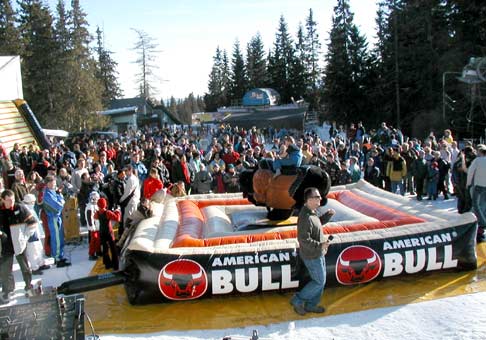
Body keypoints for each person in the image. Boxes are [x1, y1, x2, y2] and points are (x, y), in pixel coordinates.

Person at [290, 187, 334, 315]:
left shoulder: (312, 211)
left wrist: (327, 216)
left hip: (318, 252)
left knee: (321, 281)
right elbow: (304, 240)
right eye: (317, 197)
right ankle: (297, 300)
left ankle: (311, 305)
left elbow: (317, 223)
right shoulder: (305, 217)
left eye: (319, 196)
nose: (320, 199)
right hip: (312, 255)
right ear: (309, 200)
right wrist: (320, 245)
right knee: (319, 281)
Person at [0, 190, 35, 303]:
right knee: (5, 270)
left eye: (13, 199)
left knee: (25, 267)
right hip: (5, 244)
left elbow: (33, 223)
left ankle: (29, 286)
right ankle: (8, 290)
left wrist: (24, 237)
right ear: (3, 200)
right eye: (9, 200)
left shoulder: (20, 208)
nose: (12, 202)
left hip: (19, 243)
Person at [42, 175, 71, 267]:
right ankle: (58, 258)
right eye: (52, 182)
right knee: (57, 239)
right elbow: (58, 206)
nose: (54, 184)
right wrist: (60, 197)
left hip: (57, 217)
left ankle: (59, 256)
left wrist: (59, 195)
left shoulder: (52, 192)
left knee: (60, 238)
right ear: (48, 183)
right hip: (53, 218)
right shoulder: (47, 194)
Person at [95, 198, 121, 270]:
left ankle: (107, 264)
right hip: (109, 232)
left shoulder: (97, 213)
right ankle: (115, 265)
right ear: (105, 204)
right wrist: (117, 211)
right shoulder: (108, 212)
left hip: (102, 232)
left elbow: (95, 217)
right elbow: (117, 219)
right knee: (113, 249)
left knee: (105, 249)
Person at [466, 144, 486, 242]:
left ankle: (482, 223)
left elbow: (470, 172)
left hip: (479, 186)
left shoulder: (477, 160)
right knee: (483, 205)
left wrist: (468, 183)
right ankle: (481, 226)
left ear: (480, 152)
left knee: (475, 204)